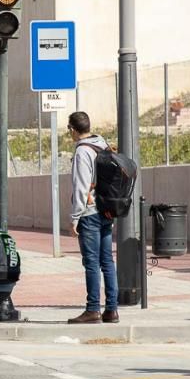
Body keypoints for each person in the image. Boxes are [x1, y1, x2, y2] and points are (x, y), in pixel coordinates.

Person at [66, 111, 118, 324]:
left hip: (89, 213)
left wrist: (74, 217)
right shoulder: (102, 144)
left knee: (91, 263)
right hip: (107, 209)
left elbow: (81, 185)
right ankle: (112, 310)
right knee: (107, 261)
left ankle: (93, 309)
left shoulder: (82, 152)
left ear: (72, 130)